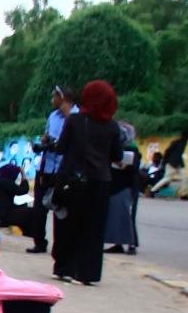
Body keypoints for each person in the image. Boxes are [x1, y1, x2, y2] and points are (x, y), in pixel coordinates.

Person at [50, 80, 120, 284]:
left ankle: (64, 268)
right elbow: (116, 155)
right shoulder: (112, 126)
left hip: (73, 181)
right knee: (93, 228)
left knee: (68, 224)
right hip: (100, 182)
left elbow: (61, 148)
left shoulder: (75, 120)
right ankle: (86, 273)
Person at [28, 86, 71, 254]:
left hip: (62, 169)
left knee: (60, 209)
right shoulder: (52, 116)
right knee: (39, 208)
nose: (52, 100)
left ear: (62, 97)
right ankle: (39, 242)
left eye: (54, 97)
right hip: (45, 167)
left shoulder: (75, 116)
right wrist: (44, 141)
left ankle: (61, 247)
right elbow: (47, 135)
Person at [103, 120, 143, 254]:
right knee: (116, 216)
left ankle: (132, 245)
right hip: (115, 185)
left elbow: (131, 168)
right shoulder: (115, 148)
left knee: (127, 216)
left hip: (126, 186)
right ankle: (118, 243)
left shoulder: (132, 149)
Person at [0, 159, 30, 238]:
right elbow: (24, 190)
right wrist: (23, 174)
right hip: (4, 216)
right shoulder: (6, 182)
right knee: (30, 212)